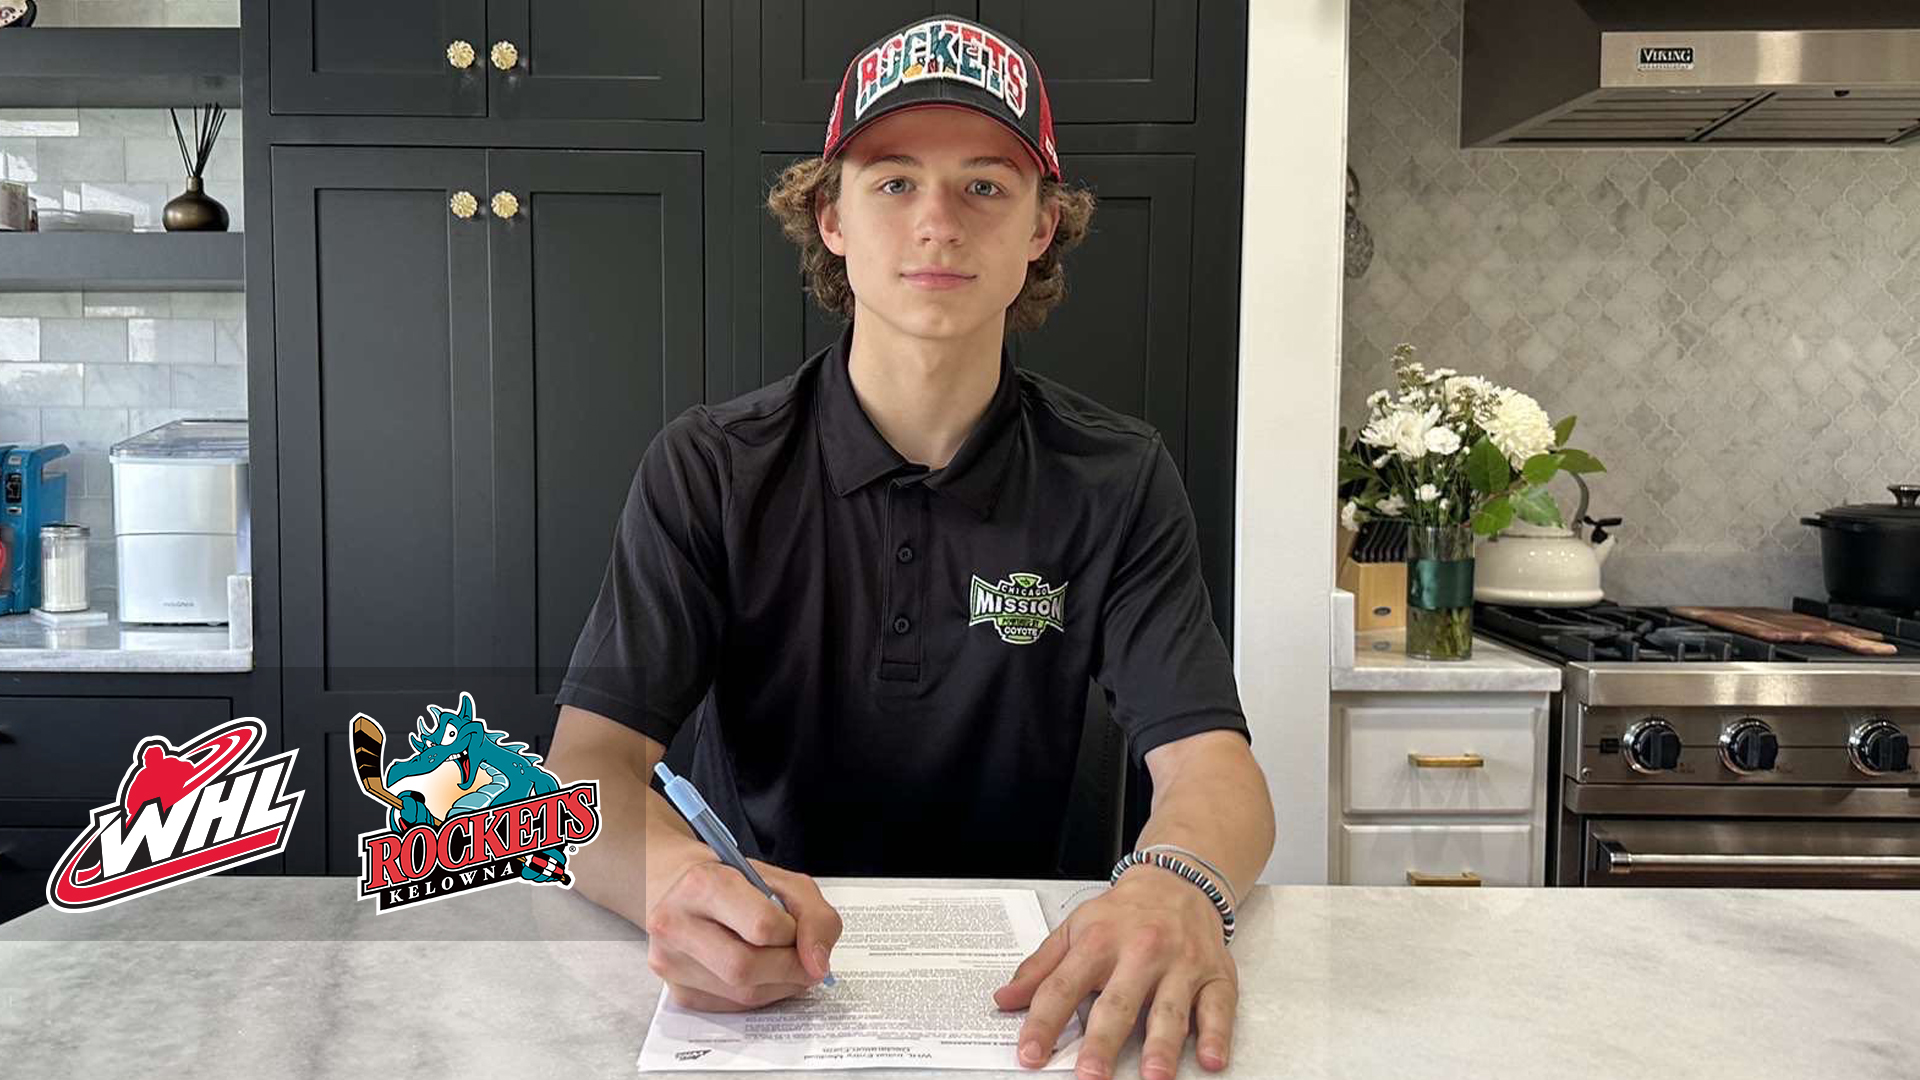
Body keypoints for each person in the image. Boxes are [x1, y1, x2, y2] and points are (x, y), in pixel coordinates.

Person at [547, 14, 1274, 1079]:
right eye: (894, 182)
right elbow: (585, 771)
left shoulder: (1116, 476)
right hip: (762, 986)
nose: (938, 222)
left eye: (985, 185)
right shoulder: (710, 467)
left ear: (1041, 227)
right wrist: (676, 882)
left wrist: (1177, 885)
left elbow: (1212, 762)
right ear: (830, 216)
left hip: (1036, 996)